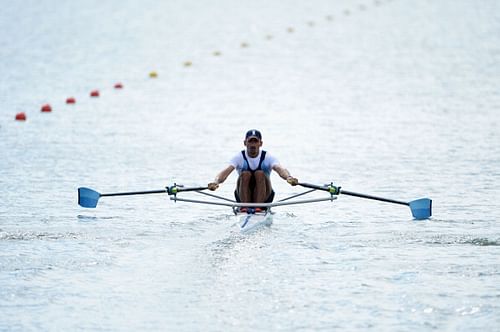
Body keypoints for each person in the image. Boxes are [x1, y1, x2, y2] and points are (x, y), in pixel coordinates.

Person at [208, 129, 299, 211]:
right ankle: (245, 207)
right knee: (245, 174)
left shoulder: (267, 157)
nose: (253, 144)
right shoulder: (239, 157)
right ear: (245, 143)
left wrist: (289, 177)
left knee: (259, 173)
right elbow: (225, 172)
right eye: (250, 141)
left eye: (255, 141)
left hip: (265, 197)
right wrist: (216, 182)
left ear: (260, 143)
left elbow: (280, 169)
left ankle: (258, 207)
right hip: (242, 197)